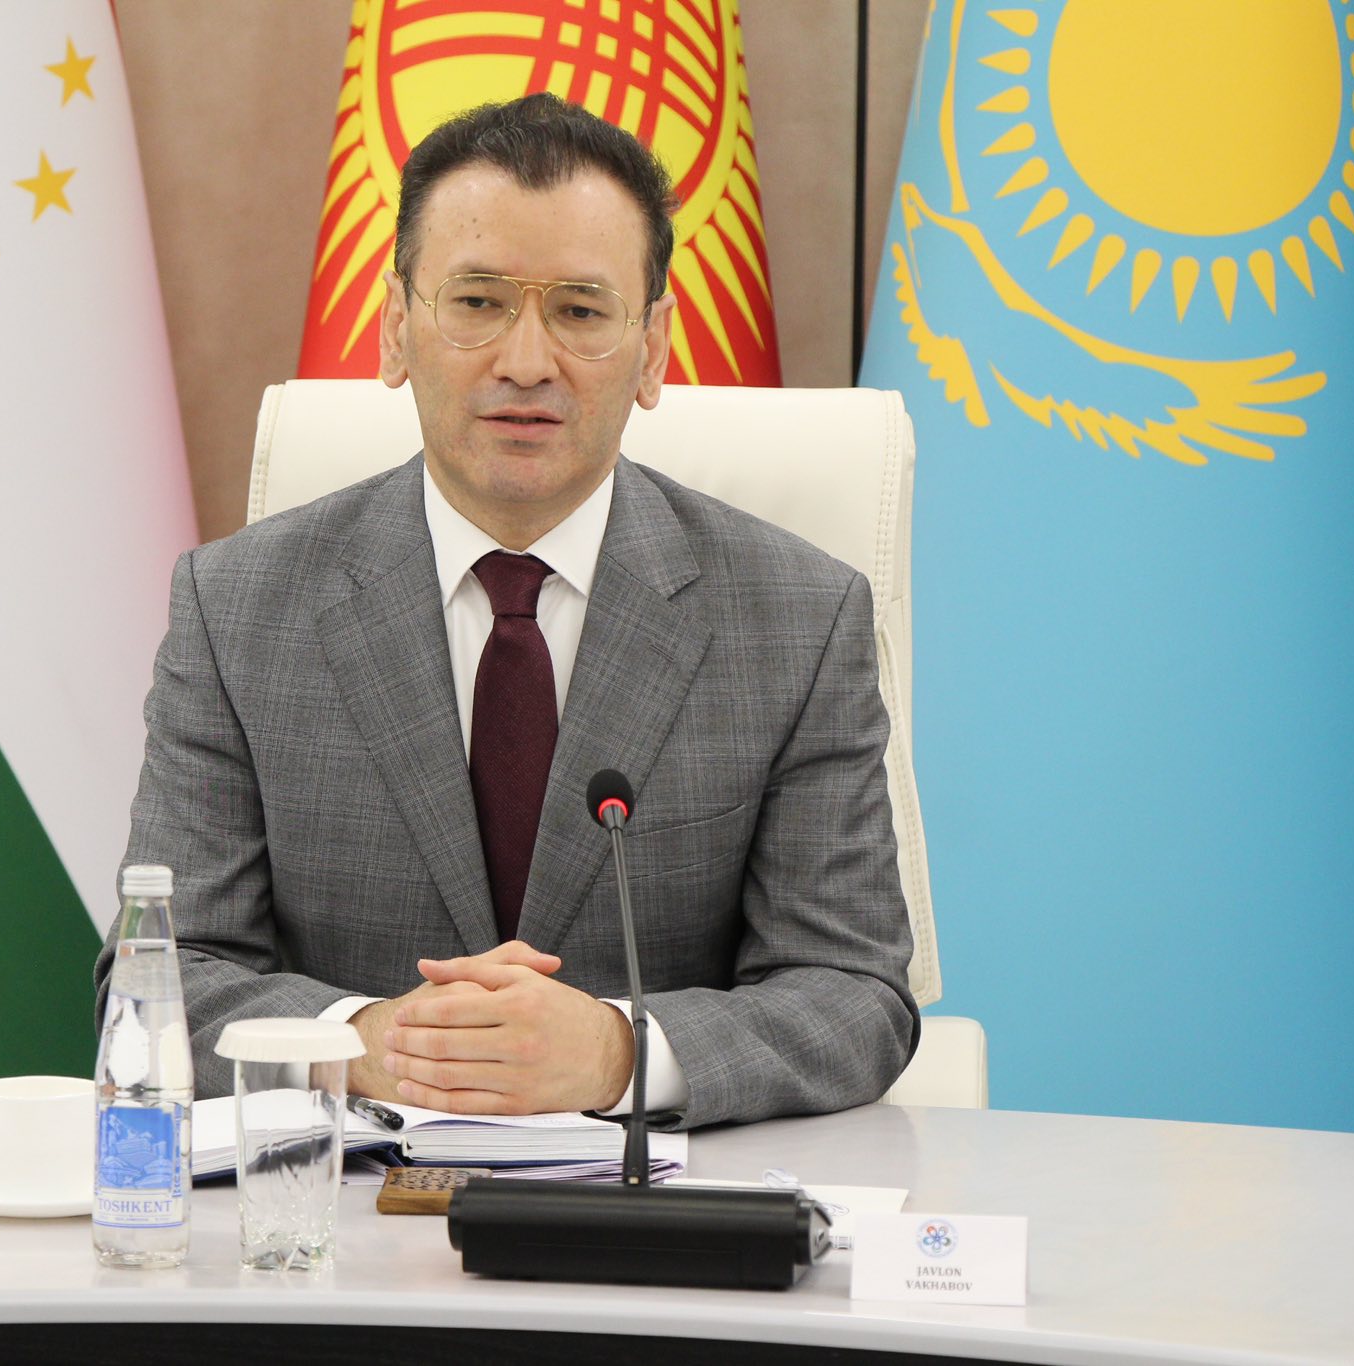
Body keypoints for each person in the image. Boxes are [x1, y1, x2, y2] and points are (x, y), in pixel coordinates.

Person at [98, 93, 917, 1129]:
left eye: (580, 311)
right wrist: (370, 1043)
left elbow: (853, 994)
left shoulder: (797, 620)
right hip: (344, 1202)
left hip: (652, 1205)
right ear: (395, 330)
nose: (526, 362)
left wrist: (618, 1052)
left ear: (654, 349)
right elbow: (160, 977)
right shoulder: (238, 609)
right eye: (477, 302)